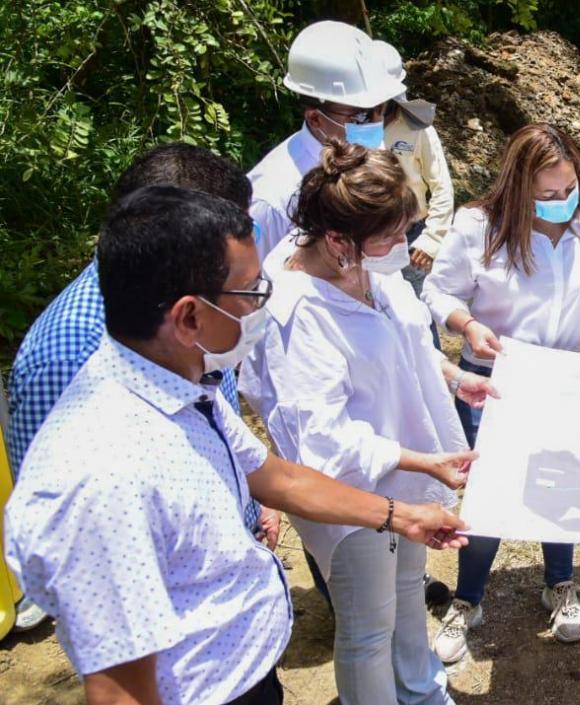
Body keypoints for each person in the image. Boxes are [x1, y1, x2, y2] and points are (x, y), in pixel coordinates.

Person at [4, 185, 468, 705]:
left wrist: (401, 515)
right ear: (188, 318)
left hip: (248, 677)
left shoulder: (180, 384)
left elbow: (278, 477)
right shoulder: (103, 476)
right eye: (251, 293)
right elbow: (120, 691)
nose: (267, 301)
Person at [240, 141, 489, 704]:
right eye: (391, 237)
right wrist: (419, 460)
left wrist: (452, 376)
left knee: (407, 596)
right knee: (368, 626)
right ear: (336, 241)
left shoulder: (370, 263)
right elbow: (322, 436)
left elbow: (406, 341)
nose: (402, 247)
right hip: (351, 495)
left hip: (408, 474)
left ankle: (421, 692)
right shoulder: (299, 310)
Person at [2, 144, 281, 633]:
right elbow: (74, 543)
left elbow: (213, 416)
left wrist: (251, 503)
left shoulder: (191, 310)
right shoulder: (68, 353)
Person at [422, 122, 580, 662]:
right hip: (494, 383)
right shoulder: (479, 226)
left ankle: (559, 584)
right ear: (519, 188)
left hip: (570, 377)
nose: (561, 202)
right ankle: (468, 600)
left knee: (562, 483)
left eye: (569, 190)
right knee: (490, 491)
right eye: (547, 195)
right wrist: (467, 326)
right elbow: (438, 291)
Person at [248, 21, 406, 261]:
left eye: (382, 109)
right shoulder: (273, 197)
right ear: (315, 119)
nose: (375, 124)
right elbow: (249, 281)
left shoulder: (367, 152)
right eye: (361, 115)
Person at [371, 41, 457, 303]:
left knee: (417, 311)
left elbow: (441, 186)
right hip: (366, 233)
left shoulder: (417, 128)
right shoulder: (350, 126)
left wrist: (430, 240)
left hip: (411, 235)